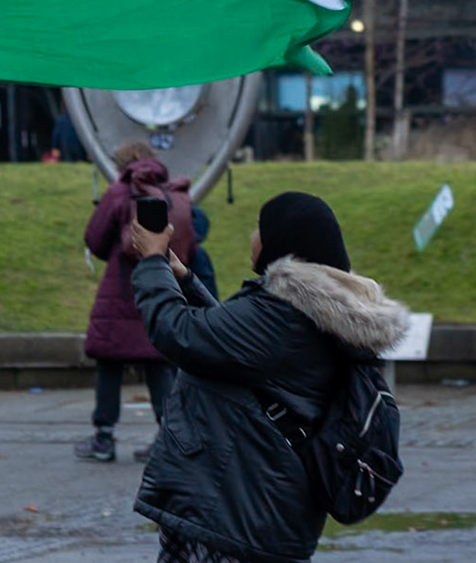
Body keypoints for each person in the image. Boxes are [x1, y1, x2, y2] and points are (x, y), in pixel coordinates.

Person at [129, 191, 409, 563]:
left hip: (236, 514)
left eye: (260, 228)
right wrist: (184, 279)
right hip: (260, 508)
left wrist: (150, 260)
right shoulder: (308, 309)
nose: (252, 236)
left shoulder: (280, 315)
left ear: (283, 242)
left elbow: (178, 333)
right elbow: (229, 345)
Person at [77, 141, 215, 464]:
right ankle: (170, 437)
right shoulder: (174, 191)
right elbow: (192, 240)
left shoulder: (120, 191)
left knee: (109, 362)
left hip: (122, 291)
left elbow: (95, 238)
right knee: (158, 363)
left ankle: (104, 437)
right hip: (163, 288)